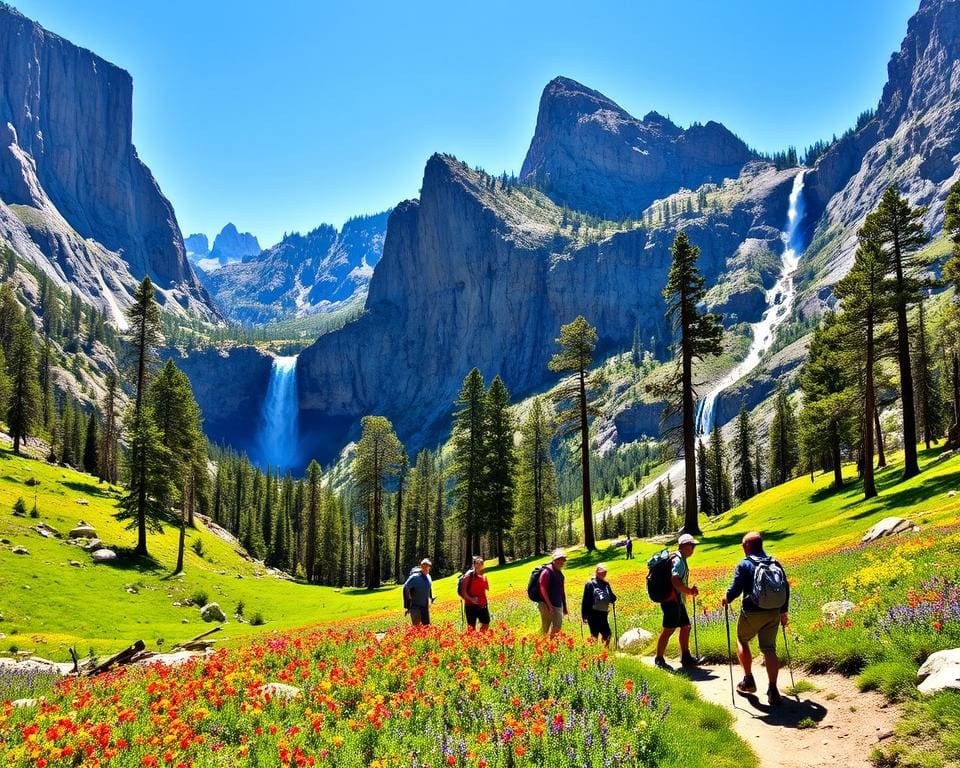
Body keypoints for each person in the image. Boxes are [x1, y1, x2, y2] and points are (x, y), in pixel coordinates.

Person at [722, 531, 790, 705]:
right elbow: (785, 587)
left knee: (742, 640)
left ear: (746, 547)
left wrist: (727, 598)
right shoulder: (774, 562)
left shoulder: (745, 564)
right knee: (769, 648)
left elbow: (736, 589)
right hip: (774, 612)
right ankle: (773, 690)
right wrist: (783, 611)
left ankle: (748, 680)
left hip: (752, 611)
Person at [653, 533, 702, 669]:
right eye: (692, 545)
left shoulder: (678, 557)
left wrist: (686, 592)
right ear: (685, 546)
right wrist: (689, 591)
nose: (693, 548)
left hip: (677, 600)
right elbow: (675, 579)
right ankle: (659, 658)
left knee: (686, 627)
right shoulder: (679, 560)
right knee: (669, 629)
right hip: (672, 601)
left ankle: (686, 657)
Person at [581, 563, 617, 646]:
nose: (603, 574)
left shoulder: (606, 584)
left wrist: (613, 598)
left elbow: (611, 597)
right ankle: (594, 654)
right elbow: (585, 601)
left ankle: (605, 652)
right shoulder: (589, 584)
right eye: (602, 572)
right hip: (592, 614)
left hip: (603, 614)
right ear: (597, 572)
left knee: (607, 635)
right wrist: (584, 616)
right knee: (594, 636)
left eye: (605, 572)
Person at [537, 549, 568, 635]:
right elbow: (542, 588)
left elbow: (562, 591)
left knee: (557, 626)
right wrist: (549, 605)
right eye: (559, 559)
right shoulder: (547, 571)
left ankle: (551, 645)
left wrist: (564, 607)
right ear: (554, 560)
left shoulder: (559, 573)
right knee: (545, 627)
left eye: (563, 559)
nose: (561, 561)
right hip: (545, 604)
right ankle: (538, 644)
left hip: (557, 604)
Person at [460, 555, 491, 631]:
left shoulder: (484, 576)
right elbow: (463, 592)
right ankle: (473, 641)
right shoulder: (468, 576)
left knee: (486, 623)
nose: (479, 564)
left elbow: (486, 589)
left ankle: (480, 639)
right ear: (474, 565)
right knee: (471, 628)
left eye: (481, 563)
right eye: (477, 563)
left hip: (483, 605)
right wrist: (471, 599)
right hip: (471, 606)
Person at [402, 558, 434, 625]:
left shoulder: (429, 577)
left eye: (428, 567)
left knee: (427, 626)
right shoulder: (414, 577)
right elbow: (405, 588)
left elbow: (429, 588)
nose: (426, 569)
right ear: (421, 567)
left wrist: (431, 598)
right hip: (415, 606)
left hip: (425, 606)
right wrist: (407, 604)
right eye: (424, 567)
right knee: (416, 626)